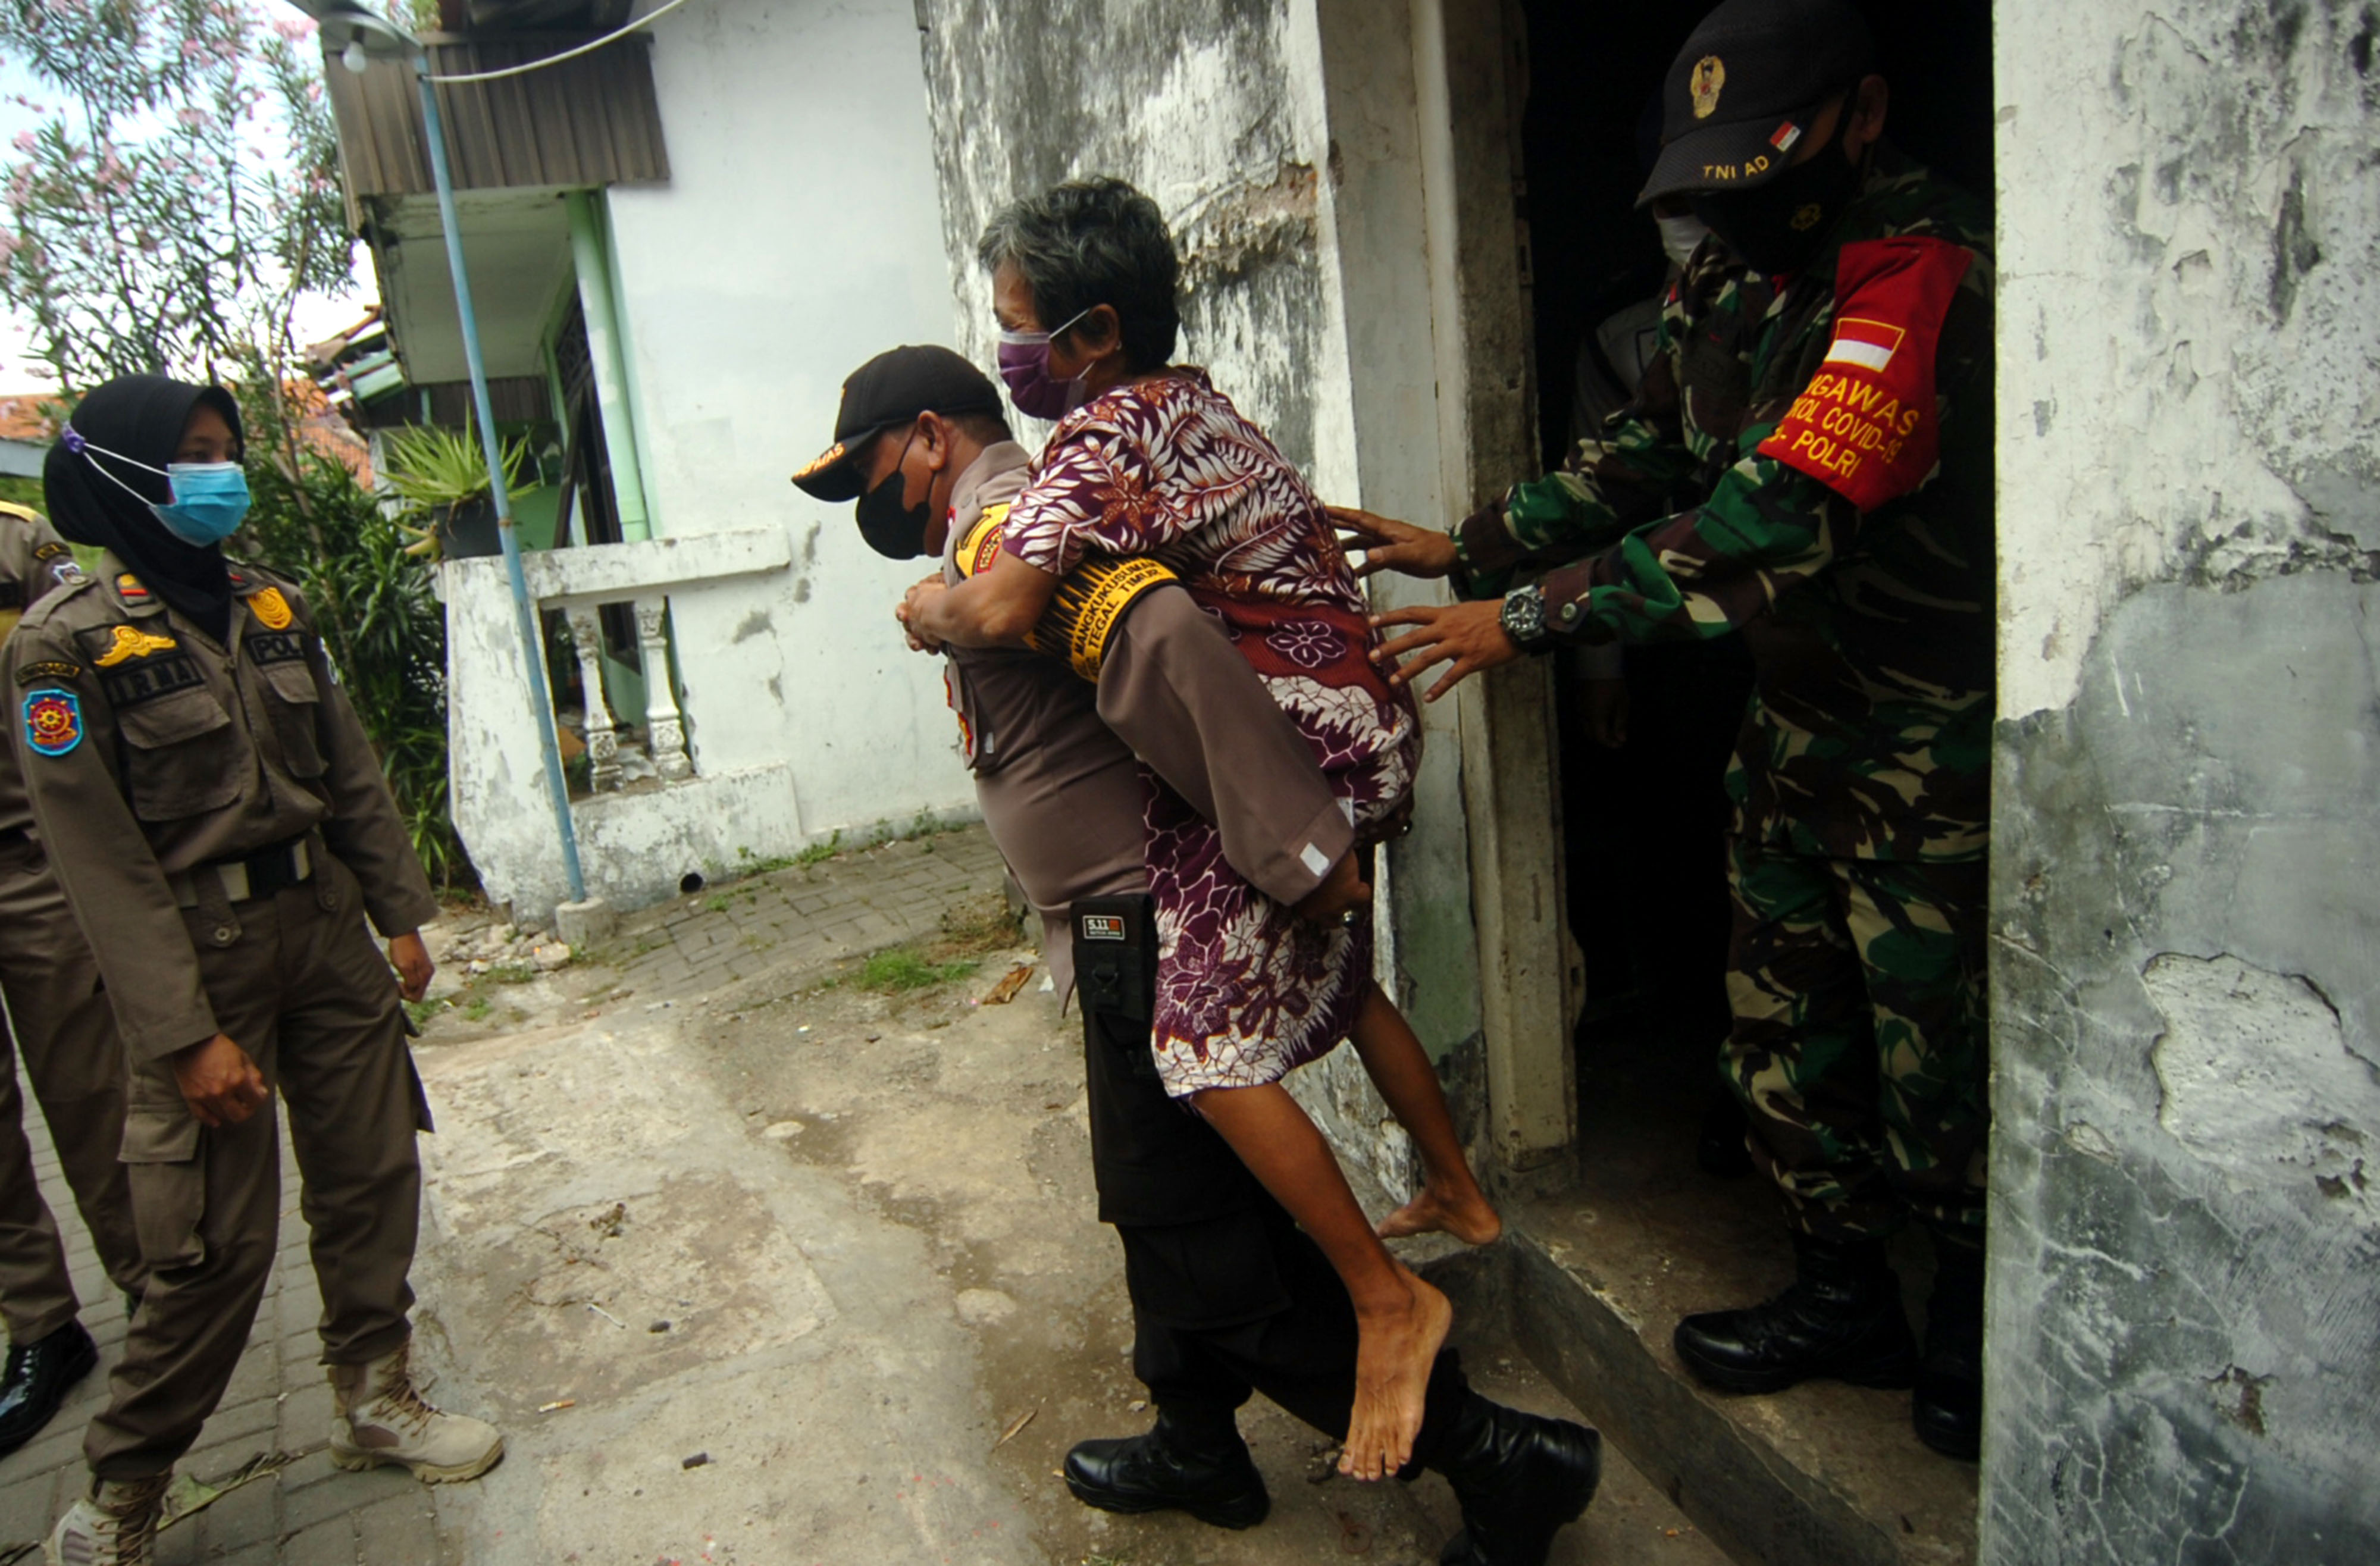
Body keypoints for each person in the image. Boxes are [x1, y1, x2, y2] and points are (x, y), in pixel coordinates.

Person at [794, 343, 1602, 1566]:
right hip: (1110, 919)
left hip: (1143, 917)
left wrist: (1294, 844)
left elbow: (1163, 635)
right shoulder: (1003, 529)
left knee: (1191, 1222)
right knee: (1155, 1198)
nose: (866, 502)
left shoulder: (1001, 529)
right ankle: (1193, 1431)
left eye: (865, 470)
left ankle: (1492, 1452)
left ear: (926, 436)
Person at [1336, 0, 1995, 1461]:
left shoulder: (1915, 268)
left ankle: (1963, 1308)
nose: (1727, 204)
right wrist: (1474, 544)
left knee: (1932, 1042)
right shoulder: (1734, 280)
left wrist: (1519, 618)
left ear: (1862, 117)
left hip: (1924, 738)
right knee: (1782, 1018)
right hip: (1797, 719)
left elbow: (1771, 519)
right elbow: (1640, 450)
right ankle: (1842, 1294)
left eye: (1757, 169)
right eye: (1705, 182)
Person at [903, 177, 1498, 1483]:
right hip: (1358, 719)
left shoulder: (1106, 434)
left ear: (1092, 333)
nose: (1012, 354)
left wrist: (926, 607)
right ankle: (1456, 1186)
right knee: (1335, 981)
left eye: (1020, 328)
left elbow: (1008, 610)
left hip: (1302, 749)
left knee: (1201, 1047)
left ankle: (1388, 1301)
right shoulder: (1197, 403)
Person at [9, 376, 503, 1564]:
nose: (216, 474)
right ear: (127, 472)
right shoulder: (60, 646)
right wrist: (182, 1034)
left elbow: (349, 772)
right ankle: (120, 1495)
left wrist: (400, 911)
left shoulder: (269, 605)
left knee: (371, 1174)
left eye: (225, 451)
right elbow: (98, 864)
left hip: (323, 931)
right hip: (199, 960)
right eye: (191, 454)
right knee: (212, 1247)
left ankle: (374, 1399)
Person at [0, 501, 145, 1460]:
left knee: (90, 1088)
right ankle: (42, 1326)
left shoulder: (15, 541)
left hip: (26, 860)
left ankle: (157, 1288)